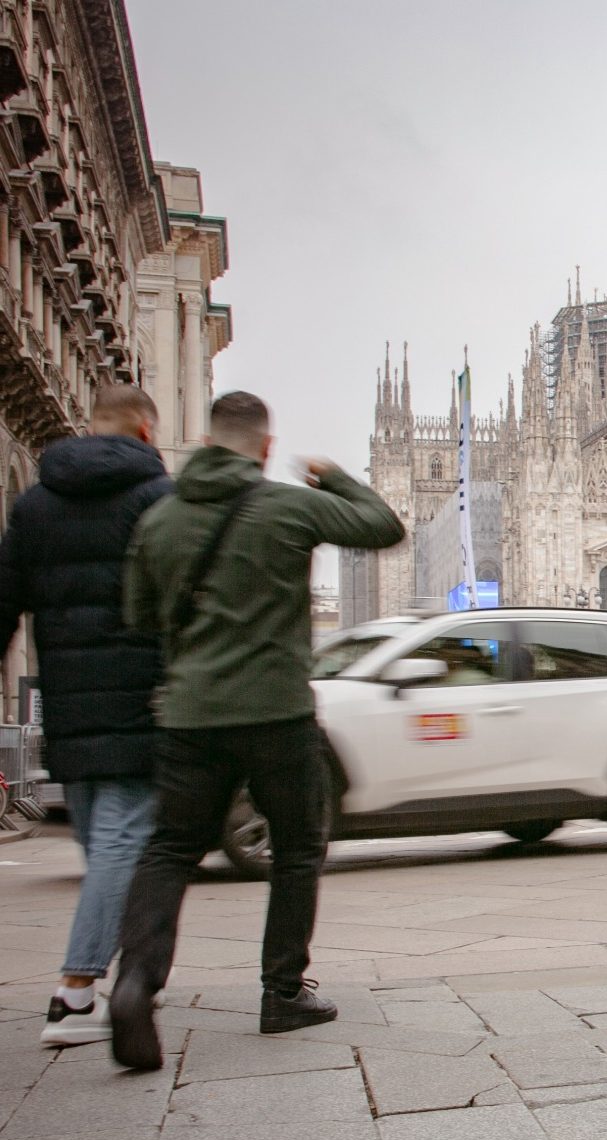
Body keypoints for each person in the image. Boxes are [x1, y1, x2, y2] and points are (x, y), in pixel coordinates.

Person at [108, 392, 407, 1070]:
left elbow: (140, 615)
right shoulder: (286, 506)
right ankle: (282, 992)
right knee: (297, 848)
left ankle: (135, 984)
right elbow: (383, 525)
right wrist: (334, 477)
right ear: (266, 448)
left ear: (206, 442)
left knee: (169, 850)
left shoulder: (159, 519)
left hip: (191, 714)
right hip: (277, 711)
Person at [0, 385, 172, 1047]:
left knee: (103, 843)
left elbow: (4, 599)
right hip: (137, 699)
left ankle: (113, 980)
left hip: (67, 704)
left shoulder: (35, 504)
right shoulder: (157, 499)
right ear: (146, 431)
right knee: (122, 842)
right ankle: (76, 989)